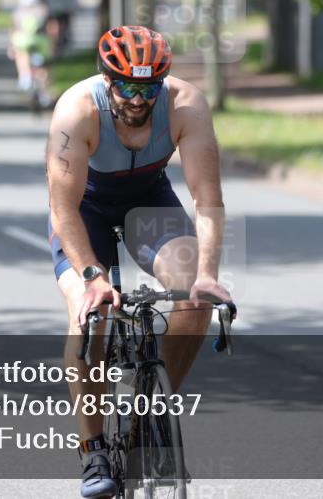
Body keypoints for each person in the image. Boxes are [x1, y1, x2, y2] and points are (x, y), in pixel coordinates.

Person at [45, 25, 231, 498]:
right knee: (92, 317)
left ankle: (151, 414)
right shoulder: (77, 110)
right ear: (107, 80)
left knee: (193, 299)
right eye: (126, 87)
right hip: (83, 208)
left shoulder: (185, 105)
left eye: (148, 88)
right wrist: (92, 277)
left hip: (147, 201)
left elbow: (207, 198)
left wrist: (207, 272)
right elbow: (63, 208)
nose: (137, 98)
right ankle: (93, 452)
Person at [8, 0, 53, 107]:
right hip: (42, 43)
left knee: (21, 55)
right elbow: (51, 29)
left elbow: (13, 29)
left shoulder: (18, 13)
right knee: (44, 68)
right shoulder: (44, 10)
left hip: (23, 42)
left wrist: (11, 47)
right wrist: (52, 44)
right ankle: (45, 93)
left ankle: (24, 76)